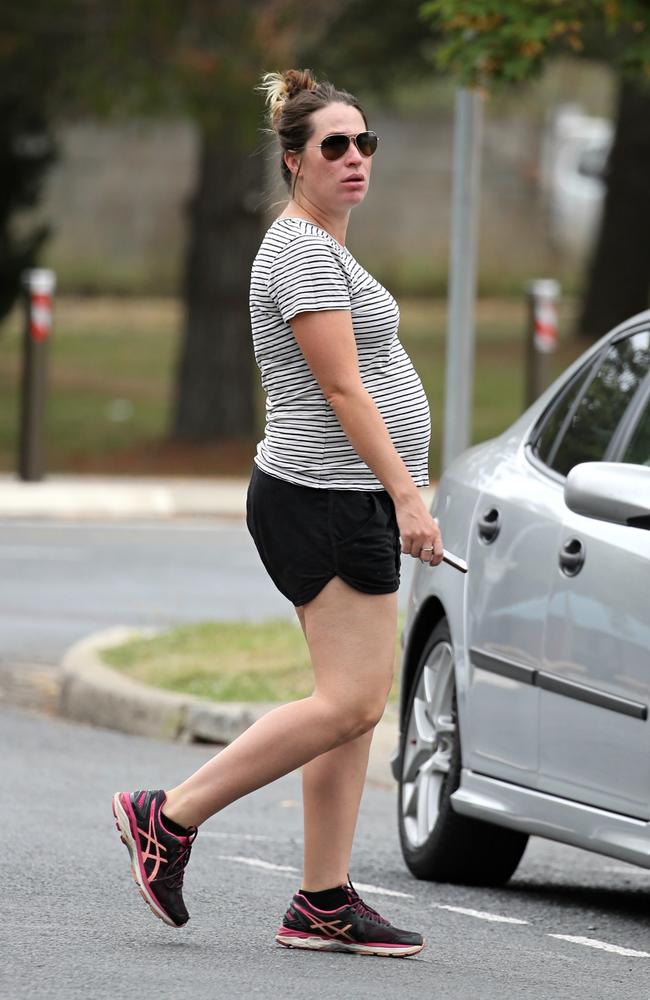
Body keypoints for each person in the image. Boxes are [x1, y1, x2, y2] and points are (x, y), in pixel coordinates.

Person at [112, 67, 443, 959]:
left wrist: (399, 488)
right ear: (295, 161)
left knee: (357, 708)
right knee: (348, 700)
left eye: (364, 142)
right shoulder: (300, 252)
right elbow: (341, 386)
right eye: (334, 146)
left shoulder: (327, 247)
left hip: (348, 497)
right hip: (320, 499)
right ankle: (168, 816)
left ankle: (323, 901)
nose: (354, 159)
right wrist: (410, 494)